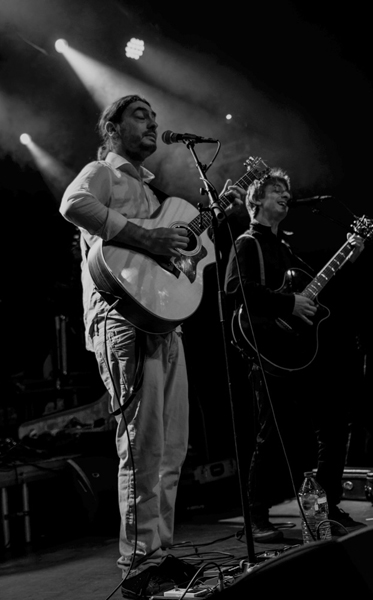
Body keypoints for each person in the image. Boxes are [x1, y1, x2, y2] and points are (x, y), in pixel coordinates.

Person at [59, 94, 244, 598]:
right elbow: (73, 205)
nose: (152, 124)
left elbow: (178, 254)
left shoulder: (152, 191)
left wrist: (208, 223)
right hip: (123, 321)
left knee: (172, 447)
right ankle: (139, 564)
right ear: (112, 128)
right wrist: (149, 239)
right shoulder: (104, 173)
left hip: (163, 322)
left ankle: (158, 552)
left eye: (154, 118)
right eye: (140, 116)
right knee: (142, 446)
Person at [224, 169, 366, 543]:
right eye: (276, 190)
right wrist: (288, 303)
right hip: (269, 352)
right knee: (271, 436)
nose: (286, 195)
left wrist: (347, 257)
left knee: (334, 425)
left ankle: (328, 507)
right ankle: (256, 519)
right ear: (255, 200)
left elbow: (315, 294)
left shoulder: (285, 248)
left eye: (287, 191)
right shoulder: (247, 243)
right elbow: (237, 288)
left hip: (301, 353)